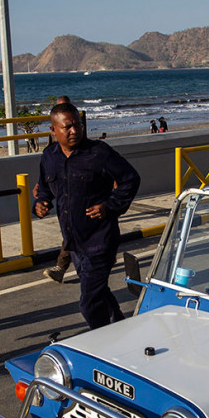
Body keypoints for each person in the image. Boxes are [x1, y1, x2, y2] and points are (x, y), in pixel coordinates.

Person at [34, 103, 141, 329]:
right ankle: (122, 330)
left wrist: (109, 206)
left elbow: (130, 179)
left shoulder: (99, 153)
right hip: (74, 242)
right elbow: (44, 187)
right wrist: (41, 203)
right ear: (53, 130)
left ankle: (102, 342)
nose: (74, 131)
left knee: (89, 303)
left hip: (100, 240)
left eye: (78, 125)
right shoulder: (49, 157)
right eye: (68, 127)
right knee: (99, 293)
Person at [40, 95, 76, 283]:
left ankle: (61, 267)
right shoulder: (50, 153)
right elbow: (46, 177)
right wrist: (42, 198)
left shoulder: (89, 149)